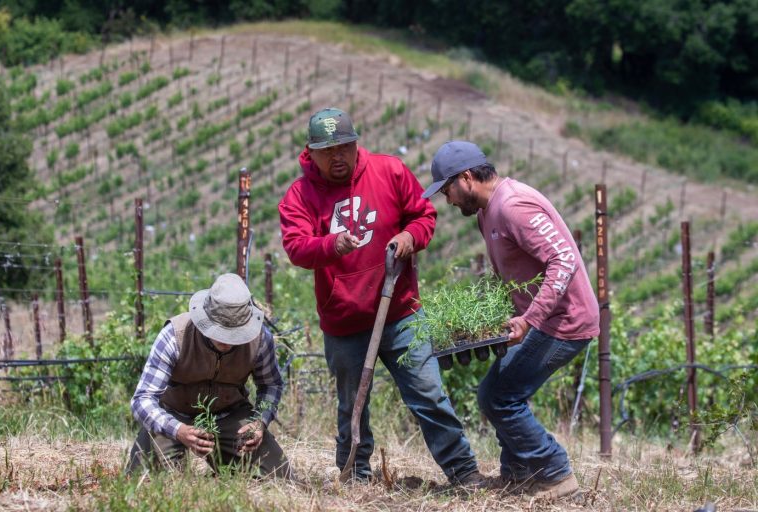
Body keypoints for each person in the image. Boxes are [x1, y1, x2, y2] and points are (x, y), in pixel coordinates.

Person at [278, 108, 481, 485]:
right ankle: (354, 476)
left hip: (400, 312)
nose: (337, 156)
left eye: (344, 147)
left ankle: (464, 473)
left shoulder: (389, 171)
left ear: (356, 144)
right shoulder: (300, 195)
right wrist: (331, 244)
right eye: (327, 150)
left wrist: (409, 237)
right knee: (351, 408)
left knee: (429, 395)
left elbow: (423, 217)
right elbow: (296, 247)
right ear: (310, 152)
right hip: (344, 322)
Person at [423, 141, 600, 499]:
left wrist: (529, 318)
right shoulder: (488, 211)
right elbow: (514, 273)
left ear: (467, 178)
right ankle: (519, 474)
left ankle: (555, 473)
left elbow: (563, 261)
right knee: (497, 393)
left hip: (564, 323)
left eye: (448, 190)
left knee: (500, 396)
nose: (449, 200)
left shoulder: (513, 206)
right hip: (542, 320)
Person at [126, 273, 291, 478]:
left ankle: (228, 467)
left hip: (230, 414)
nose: (226, 341)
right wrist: (177, 429)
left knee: (279, 476)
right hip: (174, 415)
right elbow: (142, 400)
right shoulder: (174, 335)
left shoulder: (260, 339)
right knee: (143, 480)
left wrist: (259, 422)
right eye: (220, 332)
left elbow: (271, 385)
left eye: (235, 334)